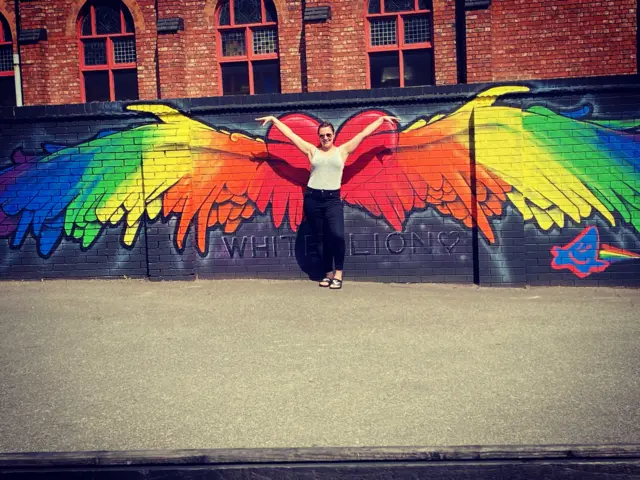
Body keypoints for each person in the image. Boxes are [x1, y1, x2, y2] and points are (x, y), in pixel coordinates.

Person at [257, 114, 400, 289]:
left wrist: (381, 120)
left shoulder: (342, 151)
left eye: (328, 135)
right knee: (319, 239)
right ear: (319, 137)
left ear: (333, 136)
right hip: (313, 198)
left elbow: (362, 135)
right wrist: (274, 120)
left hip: (332, 200)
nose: (325, 138)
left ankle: (338, 272)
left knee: (337, 235)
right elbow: (291, 136)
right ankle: (328, 273)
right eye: (322, 135)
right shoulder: (312, 151)